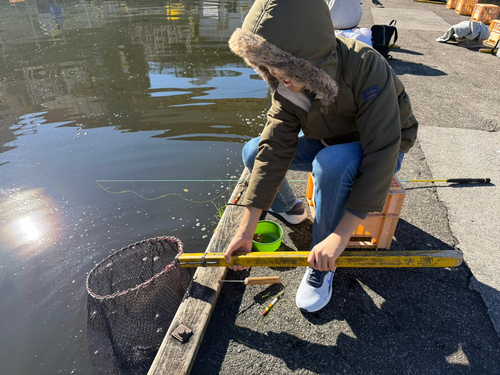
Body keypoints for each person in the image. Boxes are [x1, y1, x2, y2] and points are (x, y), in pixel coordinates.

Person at [224, 0, 418, 313]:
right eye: (269, 66)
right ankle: (293, 210)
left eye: (285, 67)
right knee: (253, 149)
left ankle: (322, 261)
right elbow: (274, 146)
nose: (278, 76)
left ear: (309, 57)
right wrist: (246, 230)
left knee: (331, 164)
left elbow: (382, 151)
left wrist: (339, 237)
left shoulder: (366, 65)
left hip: (384, 145)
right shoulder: (285, 83)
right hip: (329, 139)